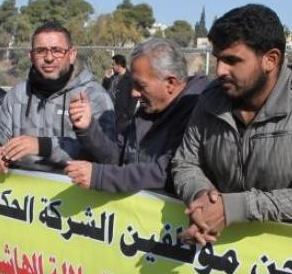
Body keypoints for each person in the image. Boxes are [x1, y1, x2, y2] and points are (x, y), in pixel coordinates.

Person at [171, 4, 292, 244]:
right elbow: (185, 163)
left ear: (270, 60)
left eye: (232, 60)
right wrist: (203, 200)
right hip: (248, 249)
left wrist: (236, 207)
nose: (220, 70)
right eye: (218, 59)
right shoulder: (211, 99)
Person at [65, 38, 208, 193]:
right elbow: (118, 158)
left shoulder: (199, 113)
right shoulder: (148, 110)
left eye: (141, 85)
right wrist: (88, 128)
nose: (134, 93)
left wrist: (101, 177)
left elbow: (169, 172)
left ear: (170, 83)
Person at [0, 21, 115, 172]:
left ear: (72, 54)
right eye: (41, 51)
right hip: (20, 184)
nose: (49, 58)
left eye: (57, 50)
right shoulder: (18, 93)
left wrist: (43, 146)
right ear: (31, 56)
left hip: (71, 185)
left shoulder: (94, 96)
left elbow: (105, 154)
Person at [102, 54, 136, 133]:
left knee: (119, 137)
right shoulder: (113, 76)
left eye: (113, 64)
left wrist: (127, 115)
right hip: (110, 112)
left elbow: (133, 98)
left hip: (122, 117)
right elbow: (103, 89)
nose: (112, 66)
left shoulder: (130, 78)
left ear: (119, 65)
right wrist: (107, 78)